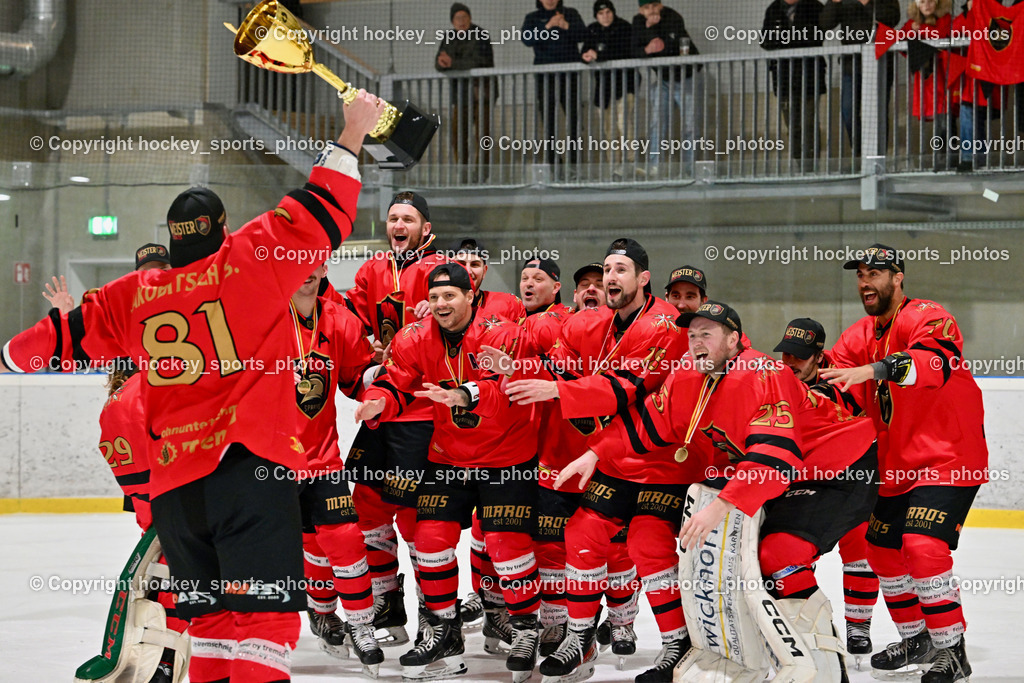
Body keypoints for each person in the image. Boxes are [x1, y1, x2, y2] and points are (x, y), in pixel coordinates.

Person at [1, 90, 383, 682]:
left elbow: (48, 344)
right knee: (265, 627)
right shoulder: (252, 257)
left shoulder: (133, 293)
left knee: (208, 624)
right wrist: (355, 127)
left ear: (173, 238)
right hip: (249, 471)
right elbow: (323, 206)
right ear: (223, 228)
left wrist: (7, 353)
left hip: (177, 487)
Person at [562, 300, 879, 682]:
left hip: (841, 465)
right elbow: (649, 422)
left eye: (706, 334)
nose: (696, 342)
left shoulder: (761, 373)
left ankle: (827, 672)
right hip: (795, 471)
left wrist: (718, 509)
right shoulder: (688, 376)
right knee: (737, 560)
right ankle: (750, 658)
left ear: (733, 340)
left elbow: (772, 457)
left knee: (780, 553)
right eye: (692, 335)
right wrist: (595, 453)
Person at [485, 238, 687, 683]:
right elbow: (560, 365)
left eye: (620, 270)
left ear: (644, 278)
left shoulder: (665, 325)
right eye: (607, 270)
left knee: (647, 547)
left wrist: (558, 391)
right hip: (615, 457)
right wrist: (518, 370)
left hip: (661, 460)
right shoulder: (590, 324)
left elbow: (629, 385)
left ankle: (676, 642)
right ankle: (579, 636)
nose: (611, 278)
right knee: (580, 532)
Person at [355, 263, 541, 682]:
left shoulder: (501, 331)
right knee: (429, 539)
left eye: (450, 296)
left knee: (505, 544)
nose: (441, 304)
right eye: (435, 297)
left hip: (505, 457)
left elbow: (502, 390)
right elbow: (397, 381)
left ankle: (527, 627)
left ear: (471, 296)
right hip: (448, 457)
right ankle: (444, 629)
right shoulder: (414, 336)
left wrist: (460, 393)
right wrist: (378, 401)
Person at [821, 244, 988, 683]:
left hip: (949, 456)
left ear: (898, 277)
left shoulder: (927, 315)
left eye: (875, 272)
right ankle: (918, 637)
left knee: (922, 546)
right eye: (859, 273)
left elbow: (935, 362)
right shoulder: (859, 334)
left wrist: (873, 370)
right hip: (896, 464)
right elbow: (833, 386)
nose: (864, 281)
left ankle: (952, 651)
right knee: (881, 551)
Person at [342, 190, 450, 646]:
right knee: (368, 504)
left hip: (420, 412)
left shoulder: (442, 269)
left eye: (407, 218)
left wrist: (440, 308)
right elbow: (355, 322)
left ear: (426, 228)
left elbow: (464, 318)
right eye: (392, 218)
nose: (397, 225)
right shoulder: (370, 269)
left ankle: (434, 612)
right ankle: (388, 606)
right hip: (379, 408)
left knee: (414, 516)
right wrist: (368, 357)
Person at [286, 262, 386, 674]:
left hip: (321, 457)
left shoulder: (338, 319)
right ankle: (247, 630)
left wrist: (375, 391)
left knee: (342, 537)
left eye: (313, 263)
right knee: (272, 550)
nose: (305, 271)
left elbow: (357, 374)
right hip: (265, 462)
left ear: (324, 267)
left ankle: (359, 623)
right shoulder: (260, 317)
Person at [774, 317, 880, 665]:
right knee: (794, 551)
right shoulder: (779, 378)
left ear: (819, 357)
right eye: (786, 354)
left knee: (859, 544)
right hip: (802, 477)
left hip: (848, 476)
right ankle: (803, 626)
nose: (791, 363)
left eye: (799, 357)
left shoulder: (841, 386)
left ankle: (858, 628)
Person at [819, 0, 900, 155]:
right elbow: (825, 23)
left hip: (880, 62)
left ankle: (878, 157)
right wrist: (835, 2)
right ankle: (861, 154)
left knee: (879, 113)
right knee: (848, 111)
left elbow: (892, 18)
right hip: (852, 65)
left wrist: (867, 3)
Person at [632, 0, 703, 177]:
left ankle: (689, 169)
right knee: (656, 123)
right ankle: (654, 167)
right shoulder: (638, 22)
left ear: (661, 5)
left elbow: (669, 46)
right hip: (662, 81)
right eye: (646, 8)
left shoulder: (673, 17)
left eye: (654, 6)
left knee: (690, 125)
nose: (652, 11)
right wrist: (648, 32)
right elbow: (634, 48)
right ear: (641, 10)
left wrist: (653, 37)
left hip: (684, 79)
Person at [522, 0, 588, 175]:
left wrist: (566, 26)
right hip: (545, 77)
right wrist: (548, 26)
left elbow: (584, 35)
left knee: (574, 120)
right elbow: (527, 39)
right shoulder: (532, 18)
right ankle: (554, 166)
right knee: (549, 122)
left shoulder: (571, 13)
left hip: (570, 75)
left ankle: (575, 165)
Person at [760, 0, 828, 168]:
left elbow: (818, 36)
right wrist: (789, 38)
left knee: (809, 123)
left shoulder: (814, 6)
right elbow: (765, 41)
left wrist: (791, 36)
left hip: (810, 76)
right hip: (784, 78)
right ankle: (800, 165)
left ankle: (811, 166)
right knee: (793, 125)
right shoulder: (773, 9)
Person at [436, 3, 496, 180]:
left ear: (470, 18)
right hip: (461, 96)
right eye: (457, 18)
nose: (461, 21)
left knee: (483, 136)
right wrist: (443, 63)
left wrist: (452, 64)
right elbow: (439, 63)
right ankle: (463, 171)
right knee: (458, 135)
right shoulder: (448, 38)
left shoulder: (481, 35)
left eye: (464, 17)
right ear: (452, 21)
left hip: (482, 94)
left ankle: (482, 174)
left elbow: (478, 62)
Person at [581, 0, 637, 178]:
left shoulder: (624, 27)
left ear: (613, 12)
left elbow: (624, 51)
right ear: (596, 16)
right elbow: (583, 52)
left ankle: (630, 162)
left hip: (625, 85)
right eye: (601, 13)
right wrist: (587, 56)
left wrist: (600, 55)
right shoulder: (592, 30)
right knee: (609, 129)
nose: (605, 16)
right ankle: (614, 165)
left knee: (624, 125)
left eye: (608, 12)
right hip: (603, 89)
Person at [452, 237, 526, 323]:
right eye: (461, 264)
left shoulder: (508, 305)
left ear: (484, 271)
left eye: (475, 264)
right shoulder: (437, 307)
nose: (468, 271)